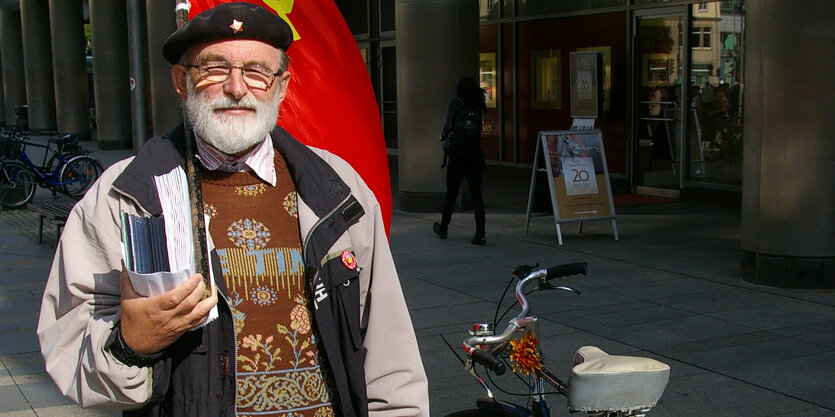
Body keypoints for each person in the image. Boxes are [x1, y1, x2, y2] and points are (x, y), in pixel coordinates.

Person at [37, 3, 429, 417]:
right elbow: (69, 352)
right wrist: (131, 345)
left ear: (281, 85)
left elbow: (389, 352)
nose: (237, 87)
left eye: (257, 71)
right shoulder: (124, 196)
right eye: (214, 68)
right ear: (181, 81)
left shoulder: (337, 188)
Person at [433, 76, 486, 245]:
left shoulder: (455, 104)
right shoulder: (477, 103)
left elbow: (448, 126)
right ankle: (480, 233)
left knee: (452, 193)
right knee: (477, 195)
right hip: (474, 156)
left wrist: (444, 136)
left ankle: (444, 227)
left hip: (457, 156)